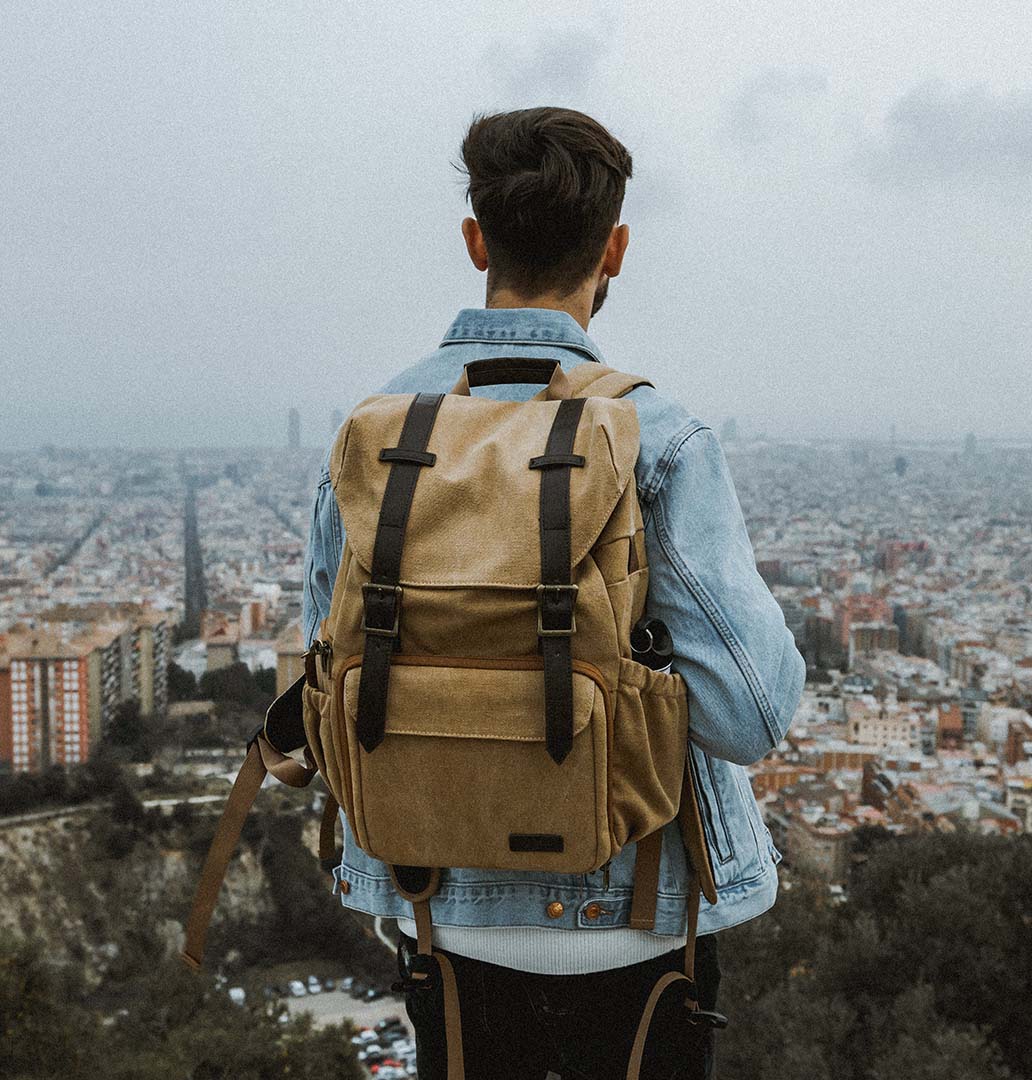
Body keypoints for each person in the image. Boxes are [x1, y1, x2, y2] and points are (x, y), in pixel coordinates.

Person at [303, 106, 806, 1080]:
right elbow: (750, 717)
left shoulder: (370, 438)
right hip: (638, 919)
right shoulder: (658, 437)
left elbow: (335, 680)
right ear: (614, 249)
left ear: (475, 240)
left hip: (436, 902)